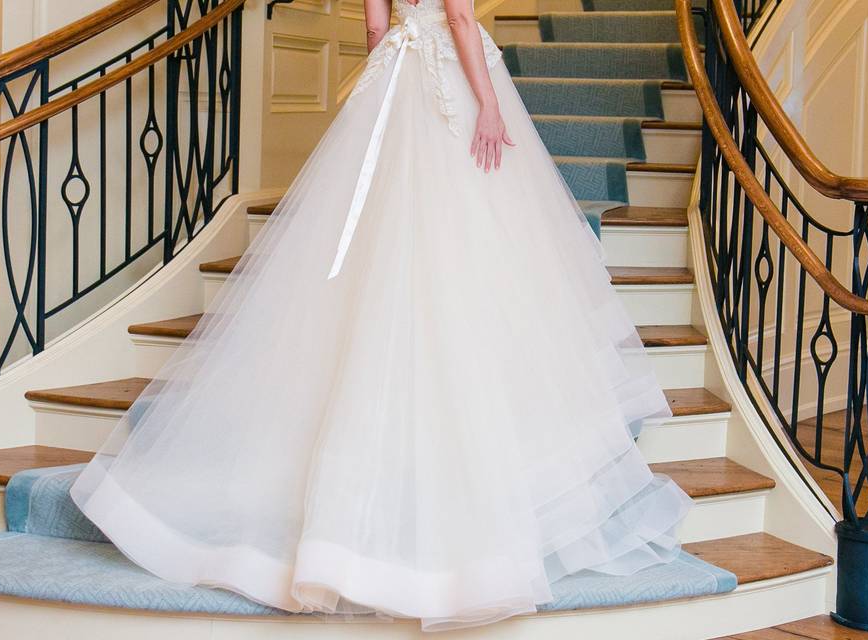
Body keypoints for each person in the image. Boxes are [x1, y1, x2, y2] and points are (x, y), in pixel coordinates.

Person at [70, 0, 693, 630]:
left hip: (394, 75)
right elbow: (455, 16)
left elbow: (374, 26)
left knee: (375, 252)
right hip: (448, 76)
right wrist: (489, 102)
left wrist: (390, 90)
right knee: (460, 248)